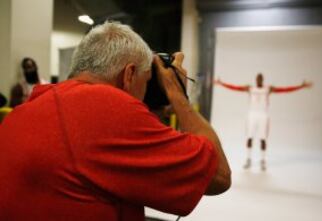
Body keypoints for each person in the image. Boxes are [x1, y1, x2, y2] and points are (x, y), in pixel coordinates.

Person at [0, 21, 231, 221]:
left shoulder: (24, 111)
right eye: (147, 81)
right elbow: (219, 176)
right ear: (129, 75)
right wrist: (176, 93)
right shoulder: (103, 106)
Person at [215, 73, 311, 171]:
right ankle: (248, 159)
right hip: (252, 115)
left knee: (263, 139)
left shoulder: (268, 89)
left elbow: (284, 90)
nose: (259, 80)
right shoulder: (250, 88)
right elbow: (235, 88)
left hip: (263, 116)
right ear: (255, 79)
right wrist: (221, 83)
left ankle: (263, 160)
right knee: (249, 137)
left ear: (263, 79)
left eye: (260, 78)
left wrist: (301, 86)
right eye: (257, 78)